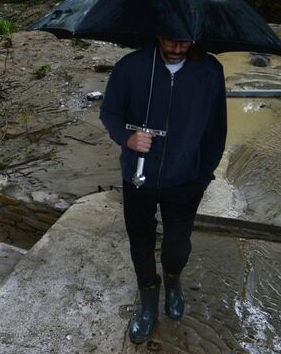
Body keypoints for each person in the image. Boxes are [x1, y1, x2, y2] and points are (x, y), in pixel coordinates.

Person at [99, 36, 227, 343]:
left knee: (176, 247)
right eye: (170, 41)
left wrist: (203, 173)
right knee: (140, 244)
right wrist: (127, 139)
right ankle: (147, 308)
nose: (176, 49)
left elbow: (216, 128)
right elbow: (110, 113)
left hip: (185, 180)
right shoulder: (131, 67)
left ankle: (173, 282)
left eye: (184, 43)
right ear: (157, 34)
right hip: (138, 178)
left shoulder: (209, 71)